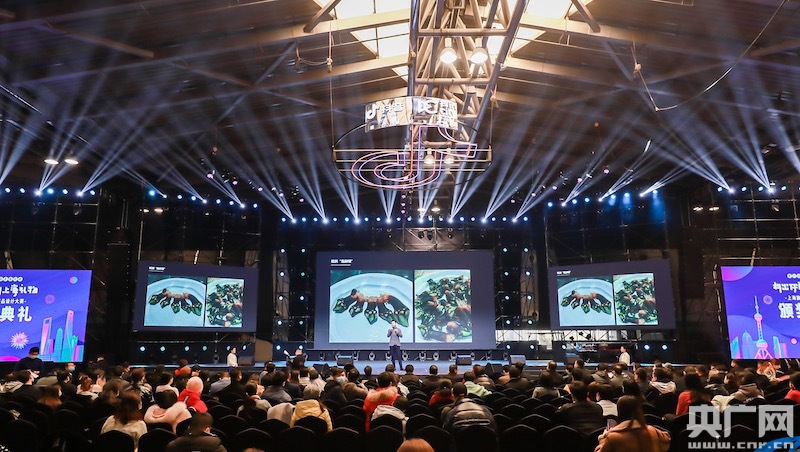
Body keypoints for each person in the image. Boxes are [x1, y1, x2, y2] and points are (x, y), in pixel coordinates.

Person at [595, 396, 671, 452]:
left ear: (620, 411)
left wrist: (603, 439)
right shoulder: (652, 431)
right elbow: (667, 440)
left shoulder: (612, 437)